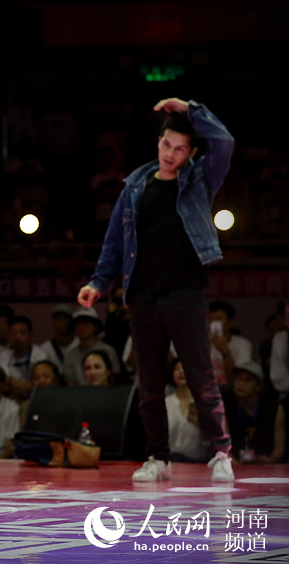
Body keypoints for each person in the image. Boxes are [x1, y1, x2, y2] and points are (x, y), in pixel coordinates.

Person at [76, 98, 235, 482]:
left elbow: (225, 141)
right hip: (142, 295)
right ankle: (157, 457)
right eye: (167, 145)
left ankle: (221, 452)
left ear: (191, 152)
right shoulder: (135, 186)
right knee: (149, 385)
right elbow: (115, 242)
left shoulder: (199, 179)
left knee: (200, 377)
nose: (171, 154)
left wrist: (192, 108)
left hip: (184, 293)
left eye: (181, 149)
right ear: (159, 142)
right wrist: (98, 282)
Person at [223, 361, 285, 464]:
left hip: (266, 464)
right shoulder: (225, 406)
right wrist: (233, 463)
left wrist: (271, 460)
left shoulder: (274, 408)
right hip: (234, 463)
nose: (240, 384)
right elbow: (223, 443)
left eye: (247, 381)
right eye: (238, 379)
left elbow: (280, 446)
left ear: (258, 387)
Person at [61, 307, 121, 386]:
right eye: (78, 324)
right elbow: (71, 385)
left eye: (86, 323)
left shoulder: (108, 351)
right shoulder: (70, 356)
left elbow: (114, 380)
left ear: (95, 326)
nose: (82, 327)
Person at [165, 361, 209, 463]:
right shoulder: (165, 403)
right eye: (177, 369)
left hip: (198, 462)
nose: (181, 372)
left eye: (185, 368)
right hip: (171, 461)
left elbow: (212, 440)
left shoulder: (203, 403)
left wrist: (201, 424)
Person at [208, 300, 253, 385]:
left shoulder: (243, 344)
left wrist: (225, 352)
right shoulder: (201, 345)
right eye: (210, 320)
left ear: (230, 322)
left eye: (218, 319)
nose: (213, 324)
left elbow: (237, 379)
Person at [4, 315, 48, 400]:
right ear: (8, 336)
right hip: (12, 400)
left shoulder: (40, 354)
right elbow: (2, 384)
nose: (17, 337)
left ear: (30, 335)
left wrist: (11, 382)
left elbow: (41, 384)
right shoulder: (3, 355)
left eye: (22, 333)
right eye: (13, 333)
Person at [18, 360, 62, 430]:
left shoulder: (68, 404)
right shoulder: (25, 407)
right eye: (36, 378)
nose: (41, 381)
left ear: (56, 380)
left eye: (46, 376)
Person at [36, 304, 78, 373]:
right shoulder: (45, 349)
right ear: (52, 322)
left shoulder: (80, 345)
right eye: (58, 318)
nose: (61, 322)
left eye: (65, 318)